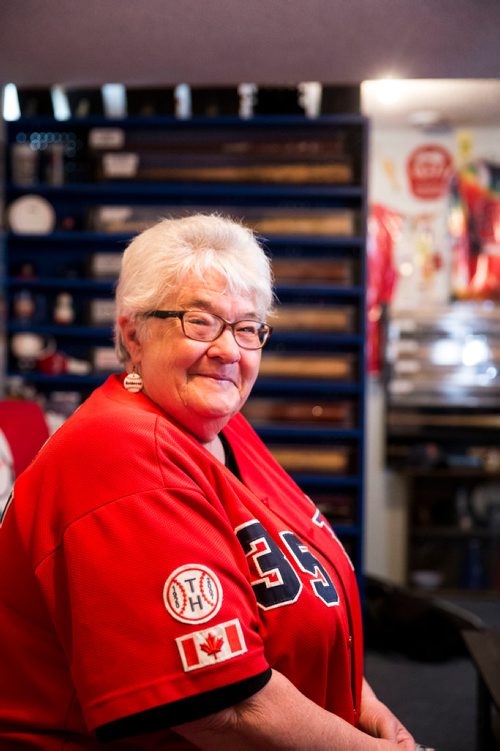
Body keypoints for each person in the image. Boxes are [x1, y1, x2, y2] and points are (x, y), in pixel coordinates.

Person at [0, 213, 416, 750]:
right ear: (133, 334)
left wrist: (362, 702)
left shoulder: (220, 429)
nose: (229, 350)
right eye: (200, 321)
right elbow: (228, 707)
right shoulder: (122, 455)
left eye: (248, 328)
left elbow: (294, 593)